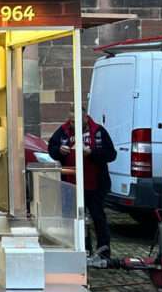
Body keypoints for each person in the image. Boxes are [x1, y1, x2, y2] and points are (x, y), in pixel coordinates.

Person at [49, 111, 117, 262]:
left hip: (96, 184)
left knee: (98, 217)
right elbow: (52, 149)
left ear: (85, 118)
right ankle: (81, 249)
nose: (73, 124)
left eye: (76, 121)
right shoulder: (63, 131)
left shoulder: (98, 131)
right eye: (71, 121)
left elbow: (111, 154)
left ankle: (103, 251)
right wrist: (59, 151)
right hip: (70, 183)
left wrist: (92, 153)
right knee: (73, 218)